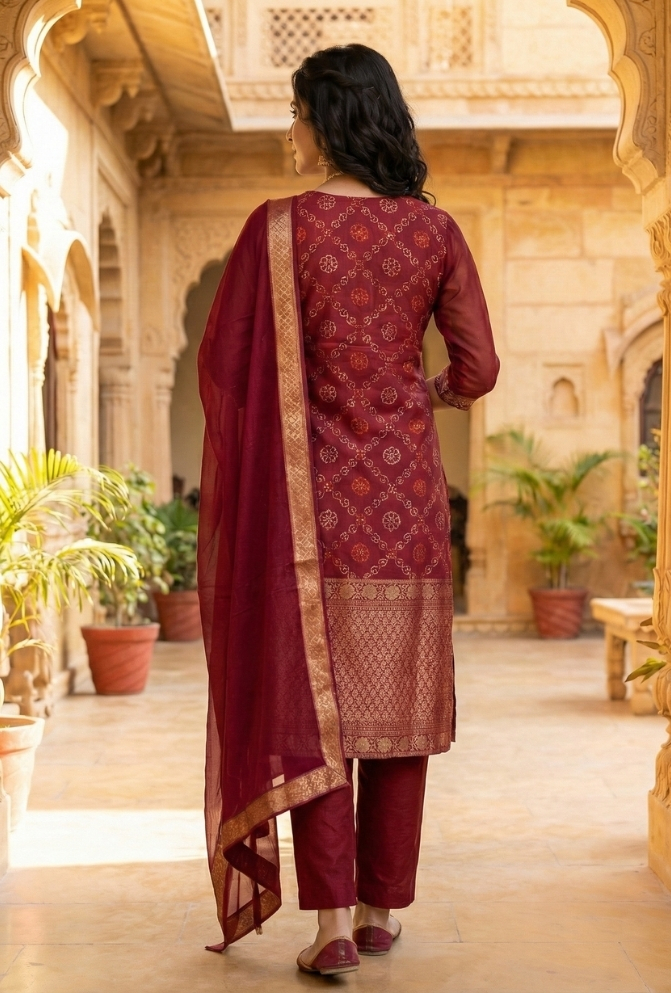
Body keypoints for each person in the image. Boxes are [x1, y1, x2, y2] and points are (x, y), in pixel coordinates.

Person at [197, 43, 499, 977]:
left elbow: (225, 369)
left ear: (327, 121)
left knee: (318, 711)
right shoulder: (433, 232)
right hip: (406, 513)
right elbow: (479, 367)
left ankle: (329, 924)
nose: (288, 132)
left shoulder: (277, 229)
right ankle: (377, 911)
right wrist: (425, 394)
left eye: (295, 114)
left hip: (309, 516)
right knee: (396, 714)